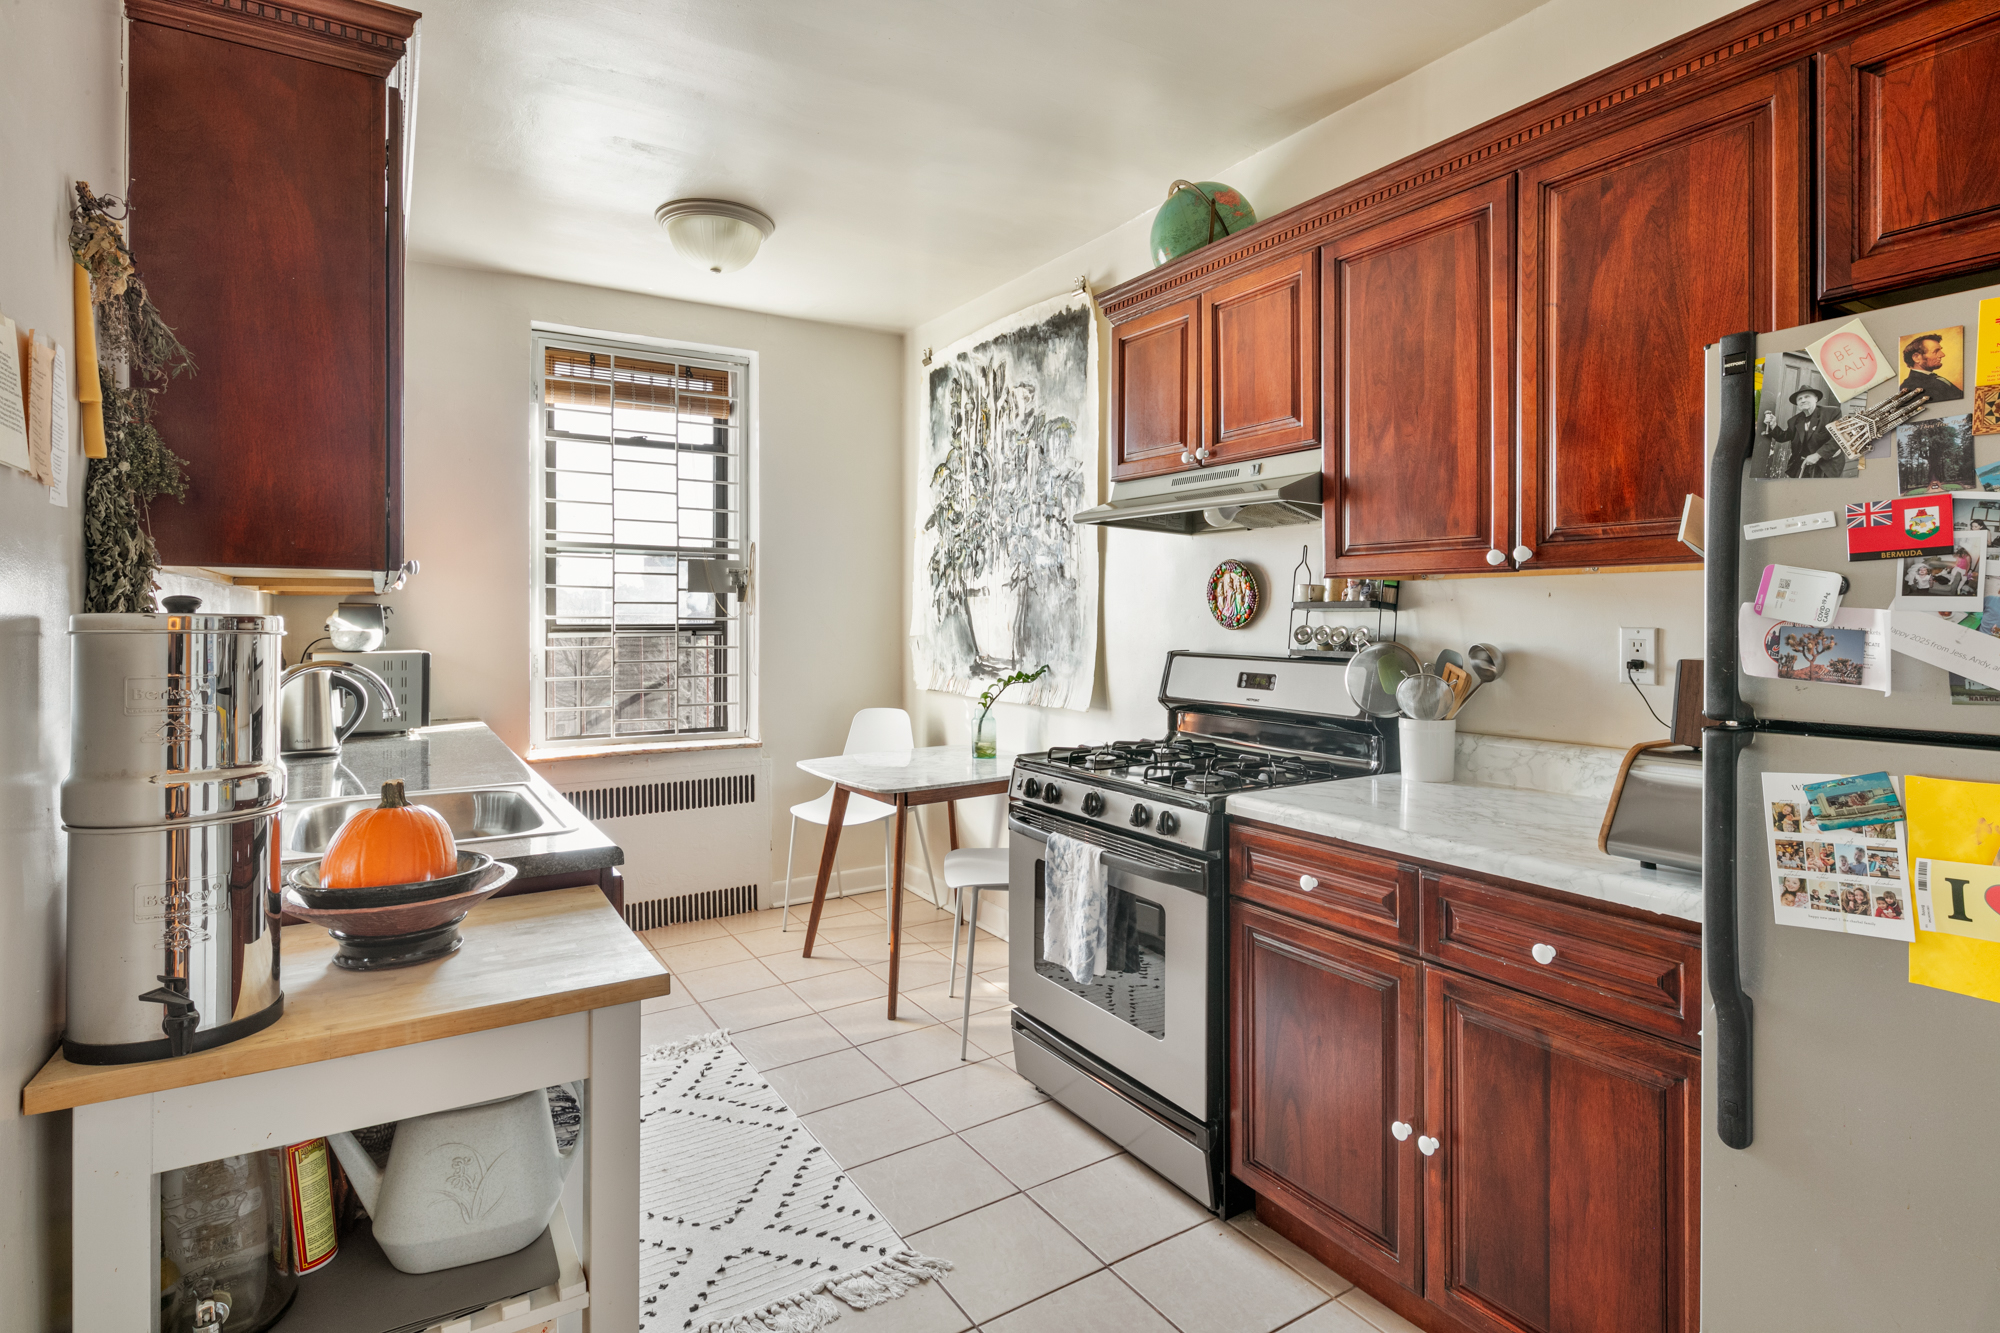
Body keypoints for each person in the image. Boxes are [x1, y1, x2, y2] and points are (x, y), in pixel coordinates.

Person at [1765, 385, 1846, 477]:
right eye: (1799, 399)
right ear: (1797, 403)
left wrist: (1818, 455)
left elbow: (1839, 437)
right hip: (1804, 465)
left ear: (1816, 399)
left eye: (1807, 397)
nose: (1803, 400)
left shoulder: (1832, 413)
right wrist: (1773, 424)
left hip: (1827, 466)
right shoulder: (1794, 421)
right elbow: (1784, 437)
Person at [1901, 334, 1963, 405]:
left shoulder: (1932, 379)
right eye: (1936, 351)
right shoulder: (1911, 387)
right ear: (1916, 358)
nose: (1942, 355)